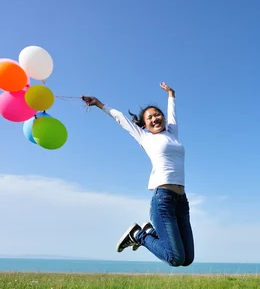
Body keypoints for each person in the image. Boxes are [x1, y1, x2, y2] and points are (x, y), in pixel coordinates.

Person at [82, 82, 194, 267]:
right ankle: (139, 235)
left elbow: (173, 114)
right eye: (149, 118)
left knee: (187, 259)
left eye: (157, 114)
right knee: (175, 258)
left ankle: (148, 230)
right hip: (164, 199)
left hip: (182, 201)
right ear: (145, 125)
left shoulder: (173, 133)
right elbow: (121, 118)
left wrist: (171, 95)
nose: (155, 119)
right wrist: (100, 104)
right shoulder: (145, 137)